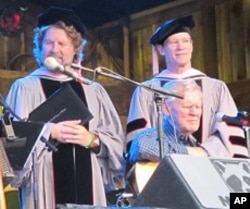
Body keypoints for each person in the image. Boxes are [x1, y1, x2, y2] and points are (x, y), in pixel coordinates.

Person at [5, 6, 125, 209]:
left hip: (89, 183)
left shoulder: (93, 90)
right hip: (43, 185)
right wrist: (49, 131)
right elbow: (11, 141)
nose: (54, 49)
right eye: (48, 42)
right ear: (39, 46)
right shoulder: (25, 87)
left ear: (75, 48)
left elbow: (116, 142)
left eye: (62, 43)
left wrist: (91, 139)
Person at [126, 15, 249, 159]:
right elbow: (138, 140)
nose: (181, 47)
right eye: (174, 42)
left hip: (209, 168)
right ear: (161, 50)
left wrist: (204, 152)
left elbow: (230, 135)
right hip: (163, 172)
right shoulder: (146, 91)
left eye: (185, 41)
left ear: (191, 46)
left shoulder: (215, 88)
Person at [128, 79, 206, 164]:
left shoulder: (194, 144)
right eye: (187, 107)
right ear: (166, 108)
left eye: (198, 107)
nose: (194, 113)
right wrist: (187, 151)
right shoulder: (149, 136)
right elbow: (141, 147)